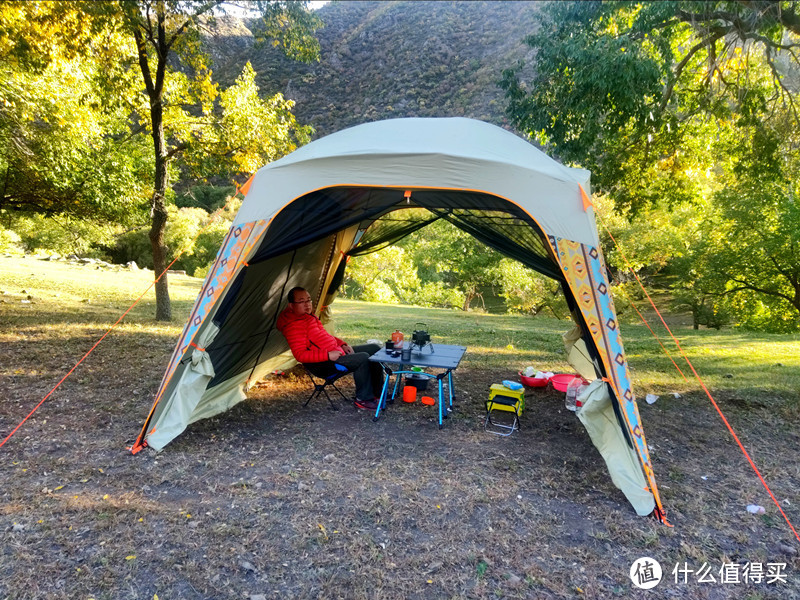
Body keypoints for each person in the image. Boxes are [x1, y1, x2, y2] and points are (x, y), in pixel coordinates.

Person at [276, 287, 383, 410]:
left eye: (309, 300)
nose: (307, 304)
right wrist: (327, 355)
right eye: (301, 301)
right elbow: (300, 355)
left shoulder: (309, 318)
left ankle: (377, 393)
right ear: (291, 306)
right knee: (363, 357)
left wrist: (342, 344)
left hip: (336, 353)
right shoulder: (293, 326)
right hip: (324, 364)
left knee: (374, 348)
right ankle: (363, 399)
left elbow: (326, 336)